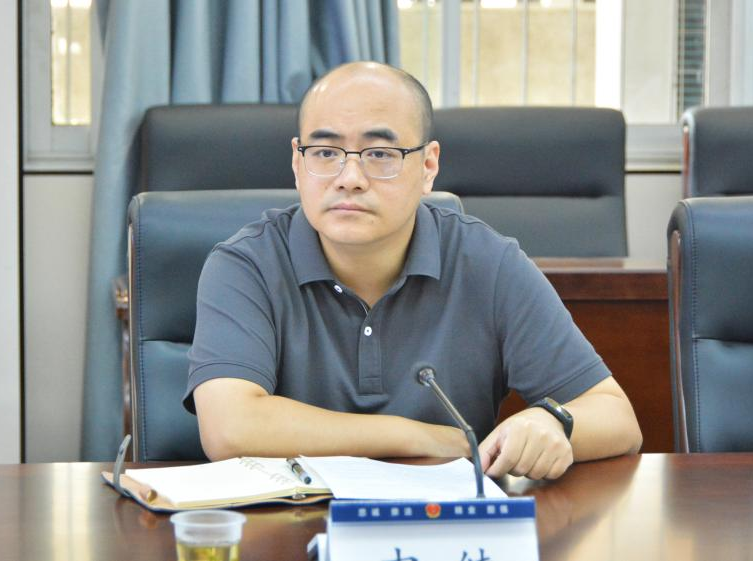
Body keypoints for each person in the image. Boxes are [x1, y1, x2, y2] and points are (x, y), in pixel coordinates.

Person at [183, 61, 642, 480]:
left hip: (445, 526)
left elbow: (617, 418)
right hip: (290, 526)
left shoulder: (488, 262)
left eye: (380, 154)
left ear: (428, 166)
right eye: (324, 152)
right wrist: (421, 437)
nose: (349, 178)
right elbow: (230, 428)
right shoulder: (246, 264)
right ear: (296, 162)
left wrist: (553, 422)